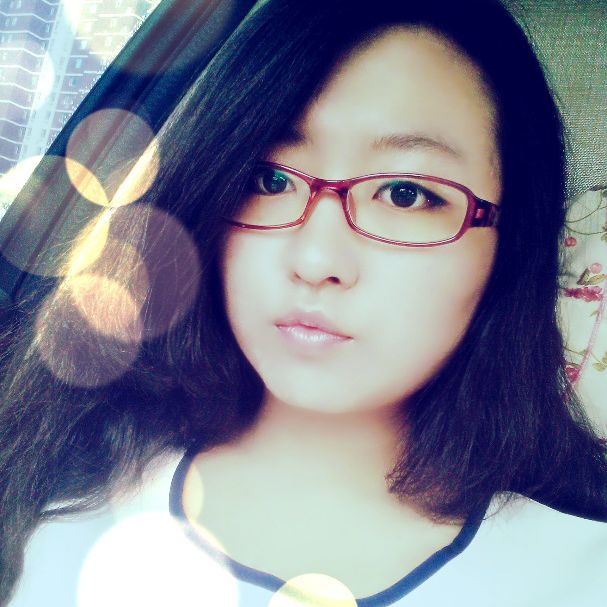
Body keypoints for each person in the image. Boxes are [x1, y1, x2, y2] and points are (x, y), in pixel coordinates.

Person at [1, 0, 607, 605]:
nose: (316, 260)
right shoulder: (55, 462)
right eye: (270, 180)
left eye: (405, 193)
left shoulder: (579, 573)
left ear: (511, 243)